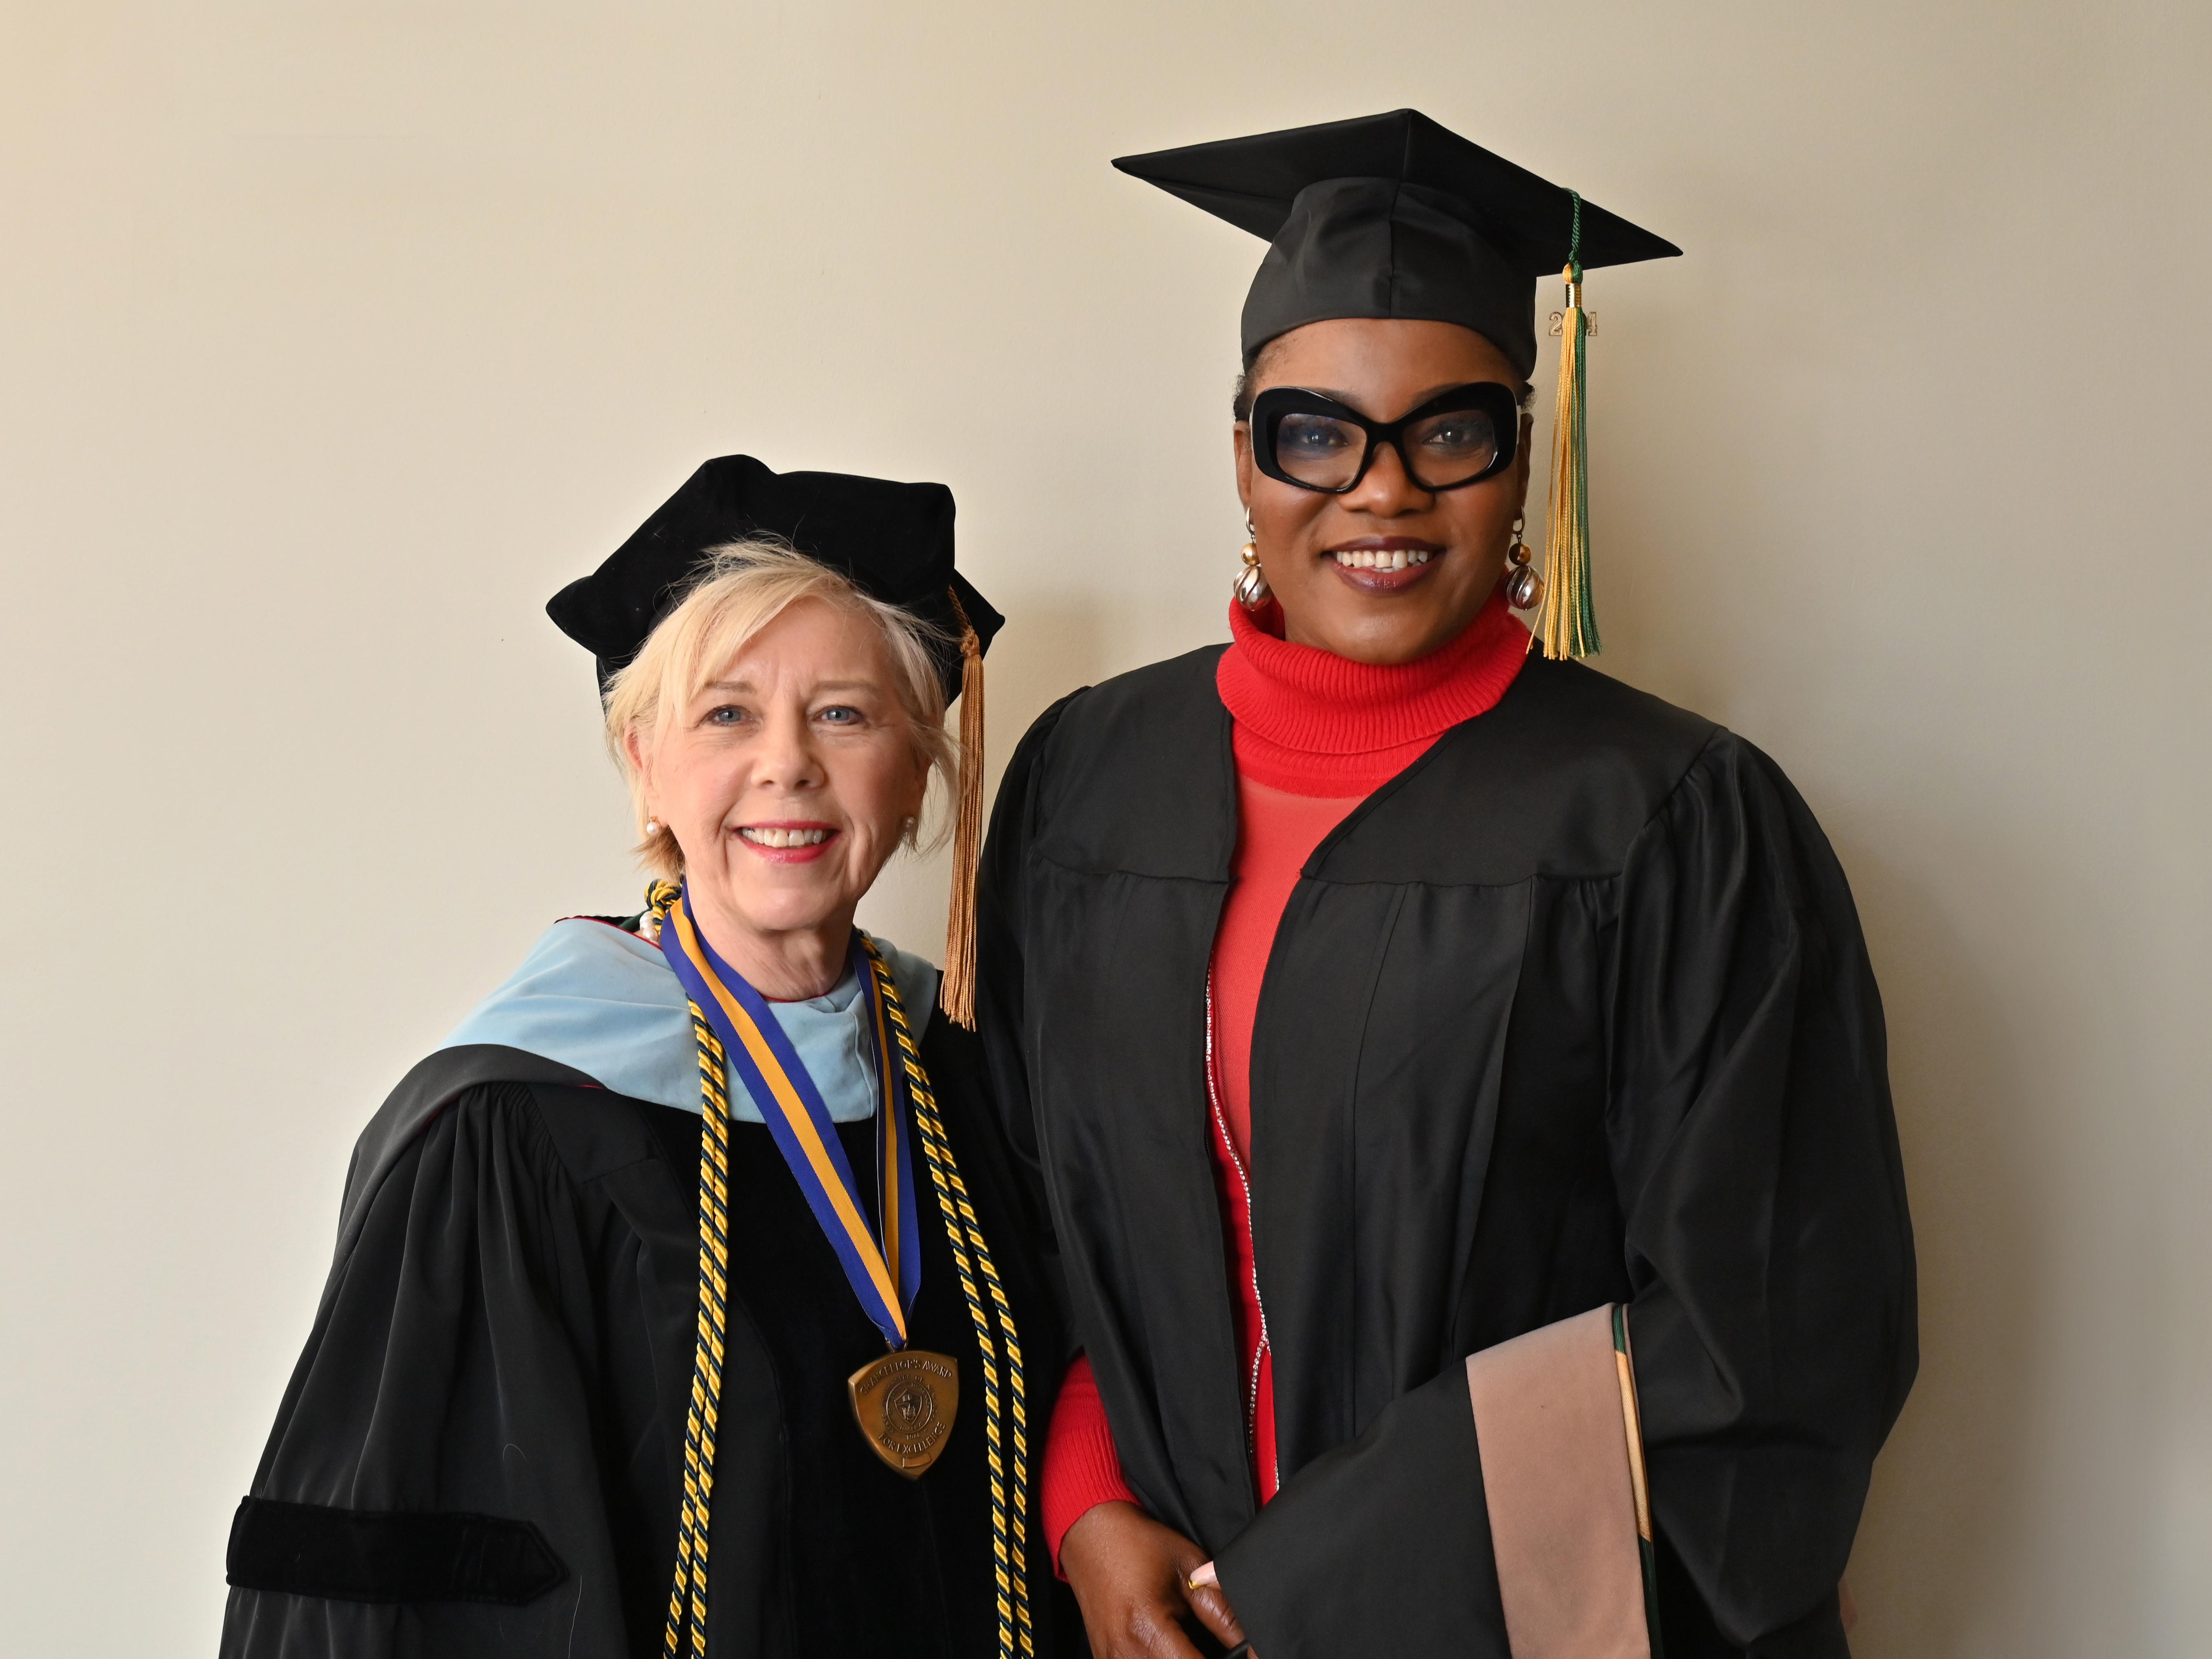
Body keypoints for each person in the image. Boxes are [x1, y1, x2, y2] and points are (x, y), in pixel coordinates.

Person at [977, 110, 1917, 1659]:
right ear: (1242, 453)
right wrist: (1082, 1506)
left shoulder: (1674, 823)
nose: (1382, 491)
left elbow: (1772, 1335)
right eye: (1315, 432)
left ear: (1524, 449)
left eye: (1452, 431)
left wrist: (1316, 1586)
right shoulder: (1090, 782)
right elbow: (1025, 1221)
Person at [221, 457, 1073, 1659]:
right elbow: (421, 1592)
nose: (788, 764)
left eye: (845, 712)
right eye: (727, 714)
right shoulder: (512, 1132)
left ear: (920, 758)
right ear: (644, 765)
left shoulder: (977, 1081)